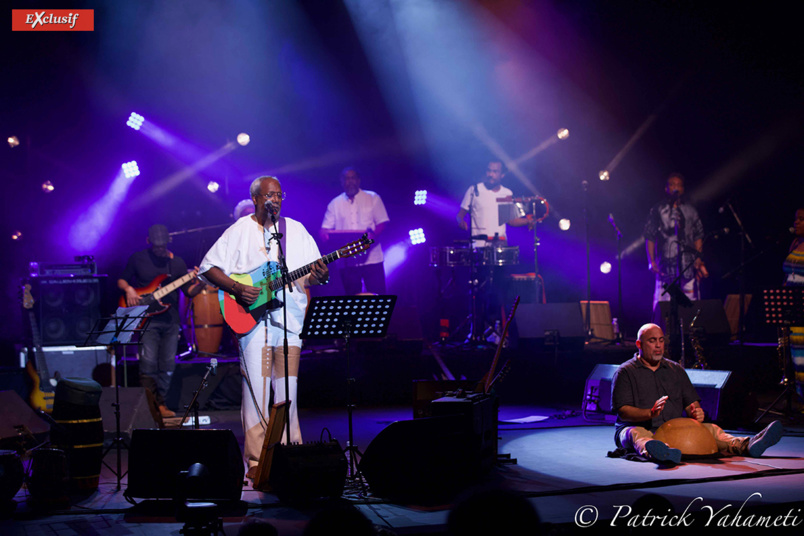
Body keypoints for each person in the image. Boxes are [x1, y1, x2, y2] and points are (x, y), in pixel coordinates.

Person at [199, 176, 329, 478]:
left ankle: (289, 454)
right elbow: (208, 267)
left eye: (279, 195)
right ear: (256, 199)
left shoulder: (295, 231)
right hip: (252, 324)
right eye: (269, 195)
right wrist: (235, 287)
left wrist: (318, 277)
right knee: (256, 392)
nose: (275, 200)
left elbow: (309, 276)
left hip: (290, 322)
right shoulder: (240, 230)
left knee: (288, 391)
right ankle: (257, 462)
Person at [611, 323, 783, 464]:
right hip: (638, 427)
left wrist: (696, 413)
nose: (658, 345)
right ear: (639, 344)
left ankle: (747, 444)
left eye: (661, 340)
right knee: (636, 434)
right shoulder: (625, 372)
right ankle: (658, 451)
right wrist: (650, 413)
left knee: (712, 429)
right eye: (652, 341)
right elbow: (623, 411)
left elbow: (691, 403)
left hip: (673, 428)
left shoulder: (675, 369)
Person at [118, 224, 206, 418]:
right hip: (147, 320)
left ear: (169, 242)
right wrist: (129, 289)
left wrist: (201, 283)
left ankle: (162, 404)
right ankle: (150, 406)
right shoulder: (138, 258)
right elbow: (122, 279)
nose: (160, 249)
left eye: (163, 245)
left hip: (170, 320)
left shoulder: (177, 264)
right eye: (156, 246)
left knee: (167, 365)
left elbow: (189, 292)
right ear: (148, 242)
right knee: (148, 363)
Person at [644, 173, 709, 311]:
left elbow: (698, 235)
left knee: (690, 306)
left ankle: (688, 331)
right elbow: (650, 236)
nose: (676, 188)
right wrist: (652, 261)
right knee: (663, 306)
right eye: (672, 184)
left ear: (683, 189)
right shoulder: (658, 210)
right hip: (665, 267)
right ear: (666, 188)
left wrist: (698, 257)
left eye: (679, 185)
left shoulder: (691, 211)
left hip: (688, 266)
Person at [320, 167, 389, 294]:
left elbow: (382, 223)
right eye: (347, 178)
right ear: (342, 181)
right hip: (347, 262)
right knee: (352, 301)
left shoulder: (372, 197)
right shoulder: (335, 203)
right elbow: (324, 231)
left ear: (358, 180)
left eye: (353, 178)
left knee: (379, 298)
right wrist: (330, 239)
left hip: (372, 259)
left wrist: (370, 238)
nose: (350, 182)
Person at [456, 159, 533, 247]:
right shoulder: (474, 190)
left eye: (495, 172)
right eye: (489, 171)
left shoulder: (507, 193)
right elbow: (459, 216)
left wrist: (528, 221)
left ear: (502, 175)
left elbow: (510, 221)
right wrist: (460, 222)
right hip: (478, 246)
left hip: (500, 245)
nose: (491, 174)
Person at [783, 207, 804, 402]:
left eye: (802, 219)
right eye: (796, 218)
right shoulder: (795, 242)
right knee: (797, 358)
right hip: (794, 307)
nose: (796, 222)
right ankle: (800, 400)